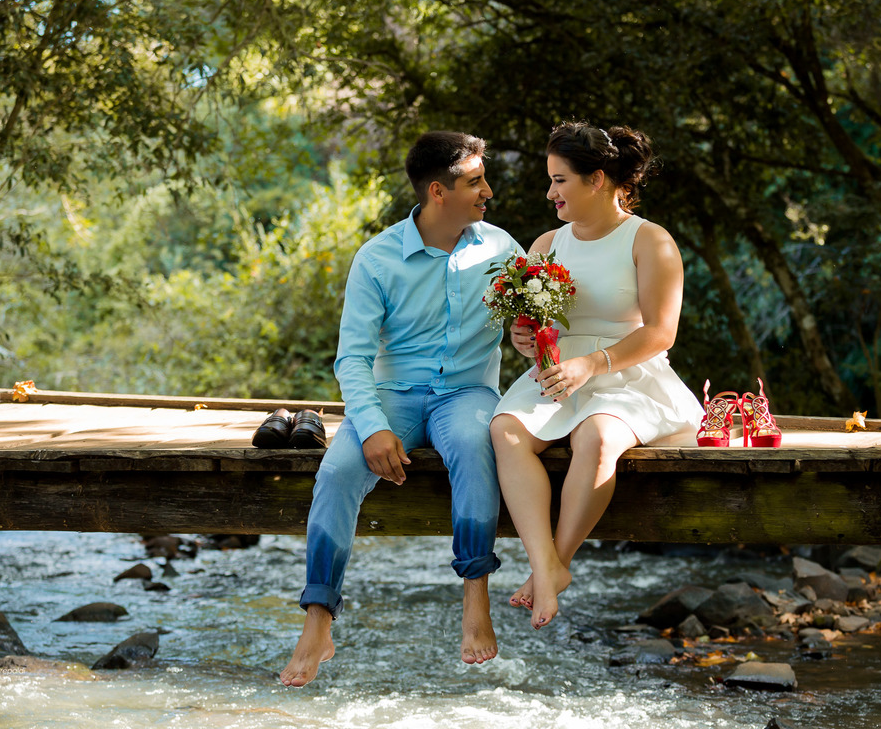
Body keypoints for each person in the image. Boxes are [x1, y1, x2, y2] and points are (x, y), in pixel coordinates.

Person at [279, 131, 522, 687]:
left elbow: (530, 325)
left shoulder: (504, 250)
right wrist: (372, 428)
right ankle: (318, 619)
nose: (488, 191)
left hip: (468, 393)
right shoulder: (377, 258)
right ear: (438, 191)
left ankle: (475, 597)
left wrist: (528, 337)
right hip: (393, 394)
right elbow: (352, 359)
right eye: (475, 181)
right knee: (337, 472)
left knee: (473, 446)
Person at [489, 122, 704, 630]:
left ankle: (556, 563)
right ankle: (545, 564)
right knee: (506, 430)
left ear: (598, 180)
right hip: (559, 375)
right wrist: (524, 337)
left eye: (560, 180)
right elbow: (534, 324)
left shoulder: (650, 240)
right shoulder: (546, 243)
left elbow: (662, 332)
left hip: (627, 375)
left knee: (598, 436)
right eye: (551, 181)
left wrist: (593, 363)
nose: (550, 193)